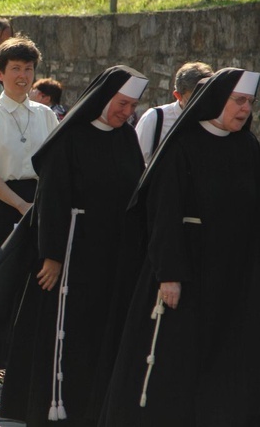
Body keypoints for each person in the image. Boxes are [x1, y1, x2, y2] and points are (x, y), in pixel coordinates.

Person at [0, 65, 149, 426]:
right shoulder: (70, 139)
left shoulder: (126, 139)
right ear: (105, 98)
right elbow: (52, 201)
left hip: (113, 256)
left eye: (132, 105)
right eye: (122, 104)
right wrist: (52, 255)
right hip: (72, 255)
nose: (127, 112)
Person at [99, 68, 260, 427]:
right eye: (239, 101)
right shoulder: (181, 147)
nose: (245, 109)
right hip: (186, 272)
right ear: (218, 100)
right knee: (177, 360)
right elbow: (163, 216)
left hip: (235, 276)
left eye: (250, 102)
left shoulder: (248, 147)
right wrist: (169, 274)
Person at [0, 36, 58, 382]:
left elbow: (55, 164)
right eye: (16, 69)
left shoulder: (45, 114)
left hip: (39, 201)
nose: (23, 76)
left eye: (29, 69)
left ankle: (27, 356)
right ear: (0, 73)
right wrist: (19, 203)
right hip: (1, 202)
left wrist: (38, 204)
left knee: (35, 280)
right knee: (1, 280)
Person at [135, 61, 213, 163]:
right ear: (178, 96)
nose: (201, 105)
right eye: (193, 99)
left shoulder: (217, 120)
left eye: (206, 98)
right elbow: (137, 162)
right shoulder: (155, 119)